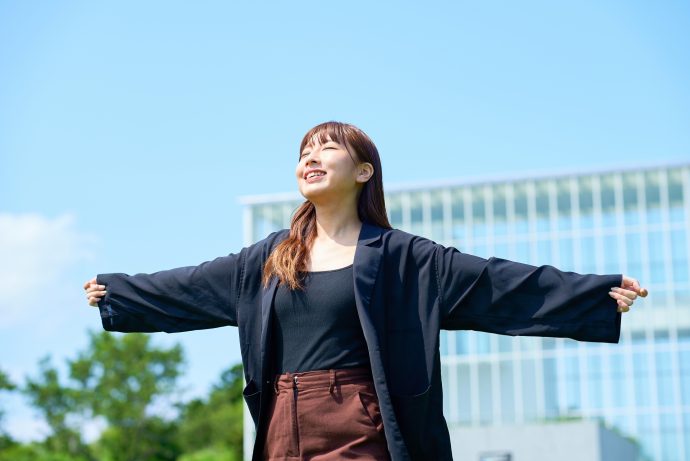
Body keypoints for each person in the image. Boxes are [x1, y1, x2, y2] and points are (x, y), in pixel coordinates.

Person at [84, 121, 647, 461]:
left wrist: (593, 295)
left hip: (357, 421)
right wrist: (119, 293)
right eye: (304, 151)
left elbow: (497, 283)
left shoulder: (405, 258)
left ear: (363, 172)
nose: (310, 157)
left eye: (327, 148)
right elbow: (186, 287)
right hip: (281, 421)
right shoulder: (267, 260)